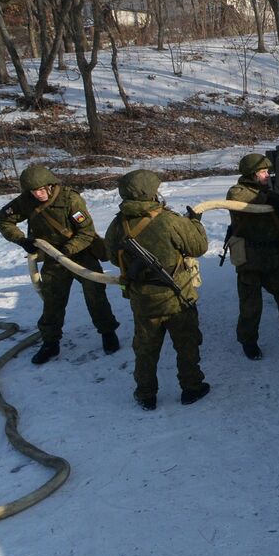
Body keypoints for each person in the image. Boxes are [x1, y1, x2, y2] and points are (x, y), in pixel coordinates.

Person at [103, 170, 210, 410]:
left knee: (145, 349)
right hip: (177, 297)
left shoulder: (118, 224)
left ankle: (146, 395)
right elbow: (199, 246)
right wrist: (195, 223)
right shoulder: (169, 220)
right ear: (151, 192)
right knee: (187, 345)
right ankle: (192, 388)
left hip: (143, 300)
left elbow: (111, 255)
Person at [0, 164, 121, 365]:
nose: (38, 194)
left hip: (81, 254)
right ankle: (50, 342)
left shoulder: (70, 199)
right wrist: (21, 240)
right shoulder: (26, 201)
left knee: (95, 296)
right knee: (52, 302)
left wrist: (67, 250)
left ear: (51, 185)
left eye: (41, 189)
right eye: (33, 191)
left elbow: (86, 232)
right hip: (53, 258)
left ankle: (107, 332)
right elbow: (3, 219)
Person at [225, 154, 279, 360]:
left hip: (273, 256)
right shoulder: (238, 192)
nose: (267, 175)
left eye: (267, 172)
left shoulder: (270, 193)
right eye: (263, 172)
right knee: (251, 304)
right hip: (250, 257)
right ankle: (249, 341)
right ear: (252, 174)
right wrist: (270, 199)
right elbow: (241, 201)